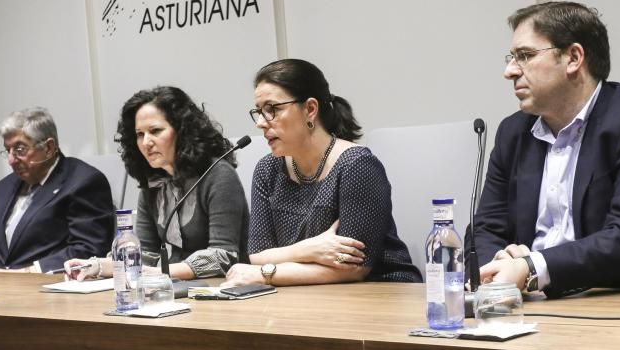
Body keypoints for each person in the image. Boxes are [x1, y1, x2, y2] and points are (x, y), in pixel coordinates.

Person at [474, 1, 620, 297]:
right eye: (511, 57)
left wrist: (532, 267)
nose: (510, 71)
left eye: (525, 56)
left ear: (574, 57)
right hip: (541, 308)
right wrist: (495, 268)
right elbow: (485, 229)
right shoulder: (513, 133)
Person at [225, 58, 420, 286]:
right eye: (258, 111)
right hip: (307, 293)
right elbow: (258, 254)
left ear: (310, 109)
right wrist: (309, 249)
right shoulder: (267, 169)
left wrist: (265, 274)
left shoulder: (357, 165)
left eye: (272, 110)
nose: (260, 122)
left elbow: (354, 268)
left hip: (379, 290)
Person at [65, 87, 248, 281]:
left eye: (155, 131)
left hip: (223, 289)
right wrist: (97, 266)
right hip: (175, 288)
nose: (146, 142)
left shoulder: (218, 174)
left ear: (182, 131)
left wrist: (162, 272)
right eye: (139, 134)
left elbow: (223, 256)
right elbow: (145, 254)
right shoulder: (153, 181)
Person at [0, 107, 114, 273]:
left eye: (20, 149)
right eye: (8, 150)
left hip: (50, 288)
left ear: (48, 147)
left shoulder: (83, 182)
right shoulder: (3, 188)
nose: (11, 160)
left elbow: (88, 249)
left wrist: (30, 272)